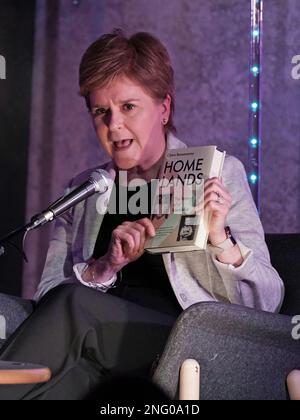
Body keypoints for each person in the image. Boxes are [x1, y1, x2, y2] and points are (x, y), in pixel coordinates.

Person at [0, 30, 284, 400]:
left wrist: (220, 240)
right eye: (101, 111)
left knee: (74, 308)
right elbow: (47, 298)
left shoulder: (218, 173)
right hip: (98, 347)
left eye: (128, 107)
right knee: (70, 380)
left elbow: (267, 302)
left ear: (164, 108)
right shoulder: (85, 189)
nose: (113, 124)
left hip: (183, 340)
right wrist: (104, 268)